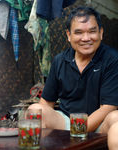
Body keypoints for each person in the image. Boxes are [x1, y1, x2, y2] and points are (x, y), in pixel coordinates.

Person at [28, 6, 118, 134]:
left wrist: (78, 130)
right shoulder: (60, 61)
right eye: (79, 32)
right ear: (69, 35)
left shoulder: (112, 60)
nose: (86, 38)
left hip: (100, 124)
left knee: (116, 118)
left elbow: (108, 108)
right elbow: (46, 103)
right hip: (67, 122)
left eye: (92, 31)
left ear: (101, 33)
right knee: (36, 110)